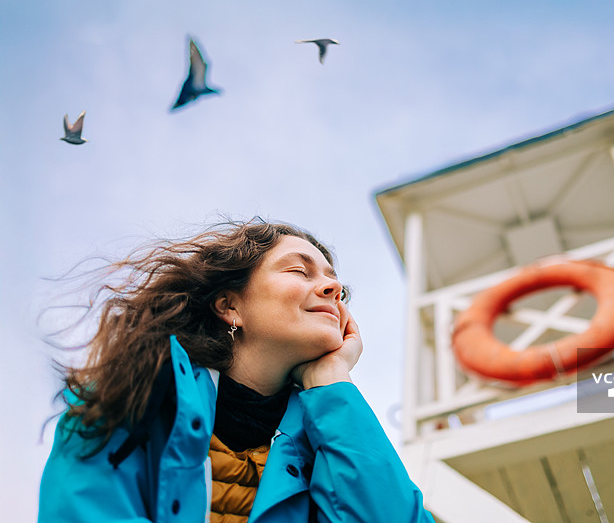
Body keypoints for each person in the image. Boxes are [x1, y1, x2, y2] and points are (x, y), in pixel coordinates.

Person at [39, 219, 434, 522]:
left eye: (338, 286)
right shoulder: (127, 397)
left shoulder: (331, 441)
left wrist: (332, 383)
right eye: (300, 271)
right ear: (230, 307)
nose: (333, 290)